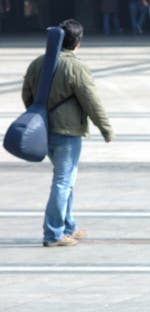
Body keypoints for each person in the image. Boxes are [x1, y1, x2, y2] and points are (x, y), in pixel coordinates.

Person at [21, 19, 114, 247]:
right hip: (67, 131)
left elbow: (27, 94)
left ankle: (68, 225)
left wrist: (38, 119)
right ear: (78, 42)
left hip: (44, 130)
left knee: (66, 179)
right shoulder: (76, 67)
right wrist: (105, 127)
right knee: (63, 181)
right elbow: (91, 100)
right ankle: (53, 234)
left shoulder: (38, 63)